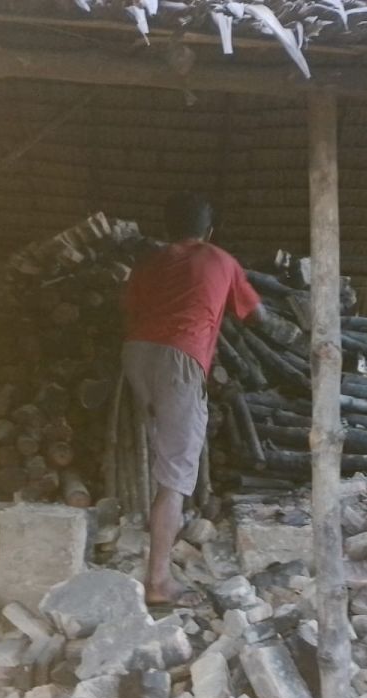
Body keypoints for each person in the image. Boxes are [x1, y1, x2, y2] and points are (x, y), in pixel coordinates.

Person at [122, 192, 263, 606]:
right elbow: (257, 315)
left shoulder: (148, 262)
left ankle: (156, 563)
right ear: (209, 231)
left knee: (166, 457)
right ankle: (159, 582)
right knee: (176, 476)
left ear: (168, 229)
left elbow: (127, 308)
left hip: (135, 354)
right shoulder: (221, 259)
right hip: (179, 356)